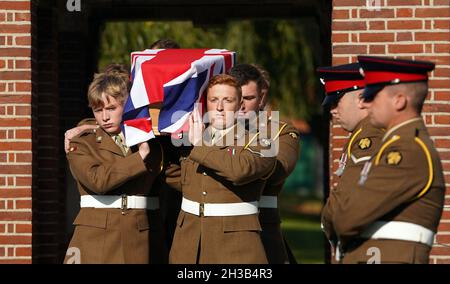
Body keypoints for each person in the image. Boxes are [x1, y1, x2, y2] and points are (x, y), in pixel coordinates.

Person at [332, 56, 445, 264]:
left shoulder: (406, 150)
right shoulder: (394, 144)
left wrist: (341, 211)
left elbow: (346, 218)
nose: (365, 102)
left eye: (372, 94)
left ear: (399, 100)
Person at [166, 74, 277, 264]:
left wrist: (200, 145)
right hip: (189, 245)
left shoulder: (260, 139)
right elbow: (182, 179)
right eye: (213, 100)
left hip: (235, 247)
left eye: (227, 100)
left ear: (240, 104)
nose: (219, 107)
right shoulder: (190, 136)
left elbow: (240, 171)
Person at [64, 72, 167, 264]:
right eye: (97, 110)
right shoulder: (81, 143)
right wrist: (140, 157)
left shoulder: (147, 142)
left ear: (127, 106)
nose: (104, 117)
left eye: (111, 108)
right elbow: (98, 181)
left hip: (137, 235)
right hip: (95, 236)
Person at [228, 64, 300, 264]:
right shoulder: (210, 132)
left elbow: (279, 169)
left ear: (262, 97)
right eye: (235, 98)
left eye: (248, 98)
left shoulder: (280, 131)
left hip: (261, 229)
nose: (241, 106)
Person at [317, 63, 384, 263]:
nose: (333, 111)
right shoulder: (360, 135)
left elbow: (353, 195)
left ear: (361, 99)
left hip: (369, 242)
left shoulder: (370, 136)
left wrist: (330, 222)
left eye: (337, 102)